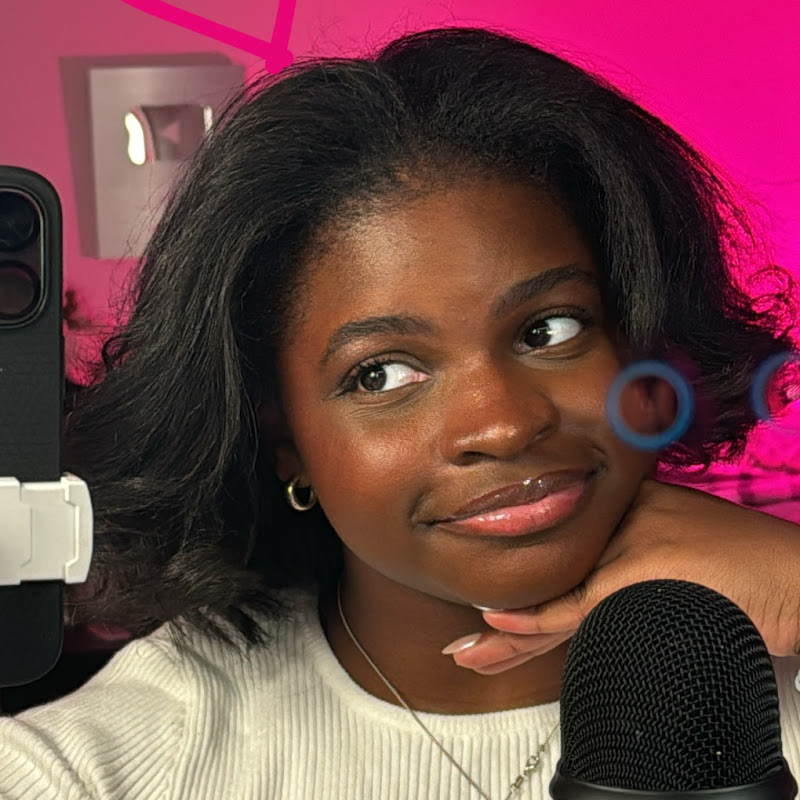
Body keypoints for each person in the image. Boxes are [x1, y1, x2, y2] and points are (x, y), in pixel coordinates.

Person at [1, 26, 799, 800]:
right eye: (380, 374)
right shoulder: (103, 767)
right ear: (284, 438)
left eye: (549, 330)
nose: (501, 424)